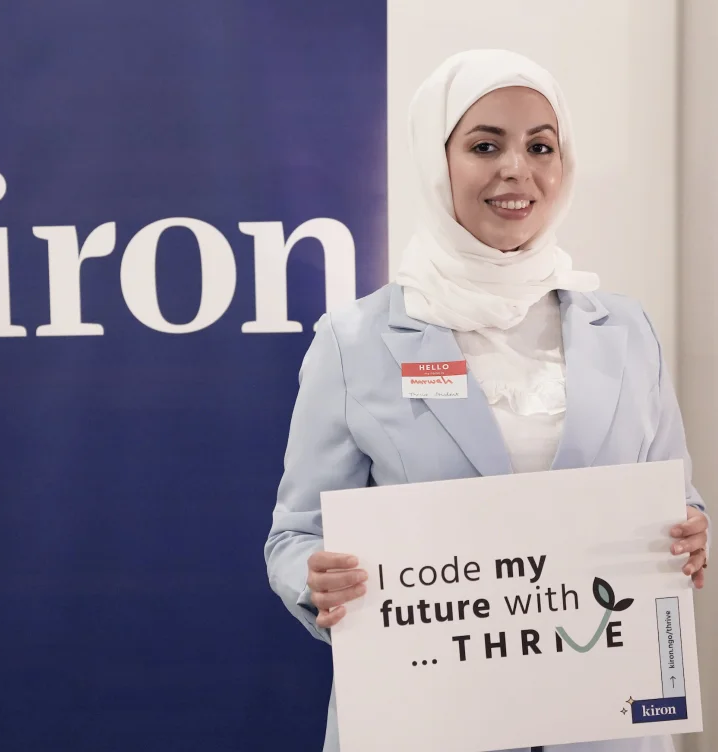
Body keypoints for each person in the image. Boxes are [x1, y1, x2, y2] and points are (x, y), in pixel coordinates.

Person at [264, 49, 709, 752]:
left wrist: (687, 535)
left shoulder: (626, 331)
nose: (516, 168)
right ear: (435, 162)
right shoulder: (356, 341)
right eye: (484, 145)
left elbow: (679, 501)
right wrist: (314, 581)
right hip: (426, 725)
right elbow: (294, 536)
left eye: (540, 145)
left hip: (604, 728)